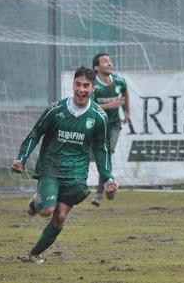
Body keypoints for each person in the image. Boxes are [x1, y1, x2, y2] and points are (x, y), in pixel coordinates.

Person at [11, 66, 119, 264]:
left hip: (76, 175)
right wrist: (21, 158)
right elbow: (35, 134)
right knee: (46, 211)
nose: (81, 89)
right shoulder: (56, 110)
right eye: (78, 84)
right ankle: (37, 202)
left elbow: (101, 150)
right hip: (51, 168)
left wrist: (109, 177)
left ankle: (35, 253)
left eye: (86, 85)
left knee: (60, 217)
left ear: (93, 88)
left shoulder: (98, 117)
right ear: (73, 85)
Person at [90, 53, 130, 207]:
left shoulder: (118, 81)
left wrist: (127, 111)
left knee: (106, 154)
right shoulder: (93, 85)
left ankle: (102, 191)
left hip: (113, 125)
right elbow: (90, 107)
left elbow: (125, 91)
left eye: (110, 60)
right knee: (96, 157)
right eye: (105, 61)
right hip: (96, 126)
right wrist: (109, 105)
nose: (109, 63)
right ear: (96, 67)